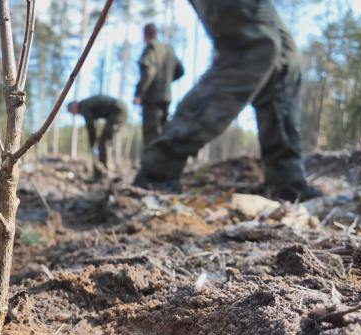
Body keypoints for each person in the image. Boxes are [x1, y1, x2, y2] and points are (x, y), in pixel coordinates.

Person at [132, 0, 321, 202]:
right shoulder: (162, 49)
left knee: (285, 61)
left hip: (155, 98)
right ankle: (159, 168)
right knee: (255, 43)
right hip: (159, 98)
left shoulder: (154, 49)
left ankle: (285, 180)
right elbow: (177, 70)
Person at [134, 23, 184, 147]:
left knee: (151, 135)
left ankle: (152, 159)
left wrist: (139, 93)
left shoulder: (151, 49)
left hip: (152, 99)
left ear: (146, 35)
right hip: (166, 98)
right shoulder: (169, 49)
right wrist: (166, 81)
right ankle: (164, 158)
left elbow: (149, 72)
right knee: (164, 132)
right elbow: (180, 71)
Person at [67, 95, 127, 178]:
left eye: (72, 112)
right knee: (103, 140)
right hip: (118, 110)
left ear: (74, 106)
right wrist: (94, 142)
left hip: (119, 111)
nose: (74, 114)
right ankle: (104, 168)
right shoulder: (85, 104)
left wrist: (93, 144)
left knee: (104, 141)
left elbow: (90, 126)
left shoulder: (84, 107)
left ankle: (107, 169)